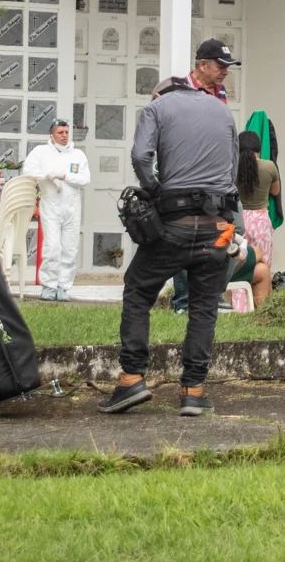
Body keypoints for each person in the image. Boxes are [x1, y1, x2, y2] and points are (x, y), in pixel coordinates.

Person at [100, 38, 243, 418]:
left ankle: (131, 380)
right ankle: (193, 391)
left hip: (174, 224)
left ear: (161, 92)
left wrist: (154, 190)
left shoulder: (158, 108)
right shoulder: (224, 112)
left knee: (138, 290)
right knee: (203, 308)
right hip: (217, 227)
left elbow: (139, 156)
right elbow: (231, 173)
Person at [21, 119, 92, 302]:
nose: (64, 136)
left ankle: (63, 287)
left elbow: (85, 178)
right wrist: (47, 176)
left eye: (66, 132)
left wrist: (64, 176)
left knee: (69, 248)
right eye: (60, 132)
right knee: (52, 247)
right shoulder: (41, 152)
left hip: (72, 206)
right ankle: (49, 286)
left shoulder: (77, 155)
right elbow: (28, 170)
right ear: (51, 135)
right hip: (51, 205)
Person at [232, 130, 280, 276]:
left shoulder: (233, 168)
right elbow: (275, 191)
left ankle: (239, 299)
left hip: (238, 220)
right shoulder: (270, 166)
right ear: (259, 148)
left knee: (239, 268)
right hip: (261, 222)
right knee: (263, 266)